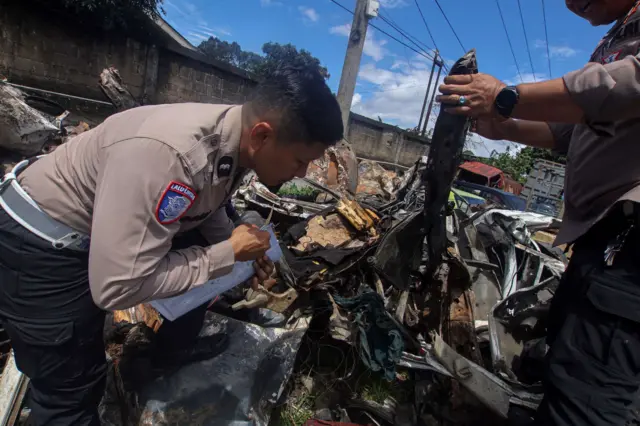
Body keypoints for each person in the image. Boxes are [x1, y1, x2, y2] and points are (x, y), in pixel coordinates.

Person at [0, 65, 344, 425]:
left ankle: (167, 351)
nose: (304, 174)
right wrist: (226, 253)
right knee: (70, 391)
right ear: (262, 135)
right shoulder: (171, 156)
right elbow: (116, 287)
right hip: (40, 244)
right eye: (301, 160)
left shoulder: (233, 138)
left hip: (85, 234)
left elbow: (204, 201)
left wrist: (237, 249)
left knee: (200, 247)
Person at [437, 1, 640, 424]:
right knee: (559, 362)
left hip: (632, 243)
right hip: (601, 239)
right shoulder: (616, 35)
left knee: (585, 398)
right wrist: (500, 122)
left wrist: (506, 97)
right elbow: (568, 130)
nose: (574, 4)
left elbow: (620, 87)